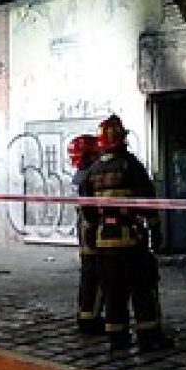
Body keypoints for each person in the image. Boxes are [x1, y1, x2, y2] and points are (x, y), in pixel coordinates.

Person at [79, 114, 170, 353]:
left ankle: (117, 338)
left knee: (113, 291)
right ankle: (148, 336)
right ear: (122, 140)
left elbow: (87, 210)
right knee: (142, 286)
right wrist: (155, 229)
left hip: (103, 239)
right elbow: (147, 201)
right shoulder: (131, 165)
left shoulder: (93, 171)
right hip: (130, 239)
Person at [68, 133, 103, 334]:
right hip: (92, 230)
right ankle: (90, 319)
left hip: (84, 230)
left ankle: (85, 315)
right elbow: (91, 209)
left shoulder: (79, 175)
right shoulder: (89, 174)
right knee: (95, 275)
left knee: (88, 274)